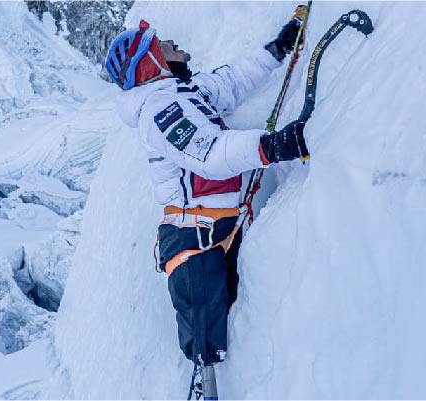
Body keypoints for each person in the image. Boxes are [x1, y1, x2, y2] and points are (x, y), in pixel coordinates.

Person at [105, 9, 309, 367]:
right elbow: (209, 153)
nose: (172, 43)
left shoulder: (184, 93)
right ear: (150, 61)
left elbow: (232, 82)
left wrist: (277, 49)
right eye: (161, 44)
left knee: (222, 343)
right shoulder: (161, 111)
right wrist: (272, 147)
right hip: (193, 243)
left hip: (212, 232)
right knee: (208, 350)